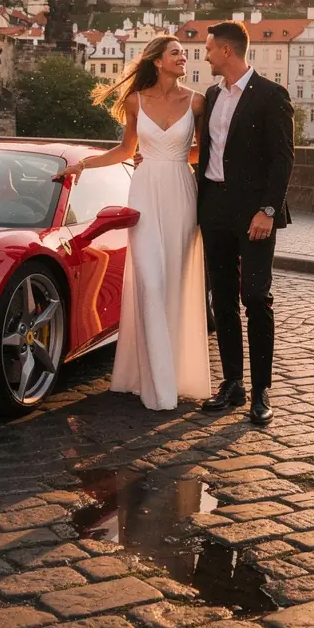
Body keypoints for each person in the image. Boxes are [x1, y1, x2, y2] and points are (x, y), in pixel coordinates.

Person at [56, 34, 211, 412]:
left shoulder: (197, 101)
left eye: (185, 55)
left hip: (179, 192)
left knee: (173, 282)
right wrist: (82, 165)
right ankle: (156, 385)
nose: (183, 58)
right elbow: (126, 151)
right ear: (157, 60)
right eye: (176, 53)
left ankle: (170, 374)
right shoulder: (134, 102)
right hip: (143, 193)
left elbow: (204, 152)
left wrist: (170, 158)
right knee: (149, 281)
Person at [196, 21, 294, 427]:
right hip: (215, 207)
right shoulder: (213, 95)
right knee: (221, 299)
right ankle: (232, 384)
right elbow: (209, 153)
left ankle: (262, 391)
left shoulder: (271, 95)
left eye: (208, 47)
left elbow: (283, 158)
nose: (204, 53)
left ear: (227, 52)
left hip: (254, 213)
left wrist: (267, 211)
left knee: (255, 297)